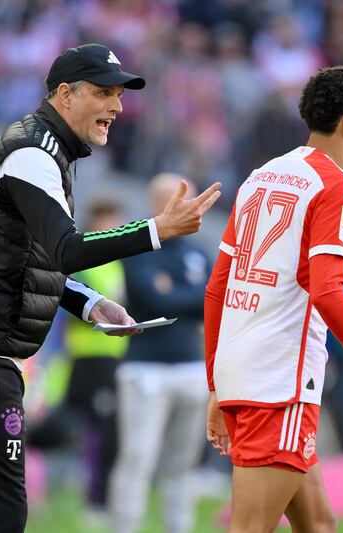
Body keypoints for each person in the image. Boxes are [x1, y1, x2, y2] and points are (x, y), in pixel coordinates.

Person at [0, 43, 221, 533]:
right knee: (1, 513)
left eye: (119, 95)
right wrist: (157, 229)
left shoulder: (49, 150)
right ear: (64, 94)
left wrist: (90, 302)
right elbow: (66, 249)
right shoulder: (33, 153)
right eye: (104, 92)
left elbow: (31, 258)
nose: (117, 107)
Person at [204, 66, 343, 533]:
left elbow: (219, 286)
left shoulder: (262, 175)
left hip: (243, 371)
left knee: (319, 524)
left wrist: (217, 384)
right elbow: (328, 289)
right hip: (281, 381)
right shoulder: (336, 184)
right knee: (250, 527)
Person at [109, 174, 210, 533]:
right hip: (145, 369)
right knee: (138, 458)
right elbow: (154, 300)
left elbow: (213, 299)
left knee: (182, 465)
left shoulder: (198, 250)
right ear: (158, 204)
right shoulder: (137, 245)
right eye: (180, 199)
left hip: (192, 367)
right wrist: (190, 294)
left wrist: (177, 293)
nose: (191, 208)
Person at [61, 198, 128, 520]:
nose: (114, 226)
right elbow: (71, 307)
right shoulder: (85, 261)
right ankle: (95, 500)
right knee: (99, 427)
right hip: (88, 358)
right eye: (109, 219)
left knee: (111, 427)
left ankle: (103, 495)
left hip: (114, 358)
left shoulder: (119, 264)